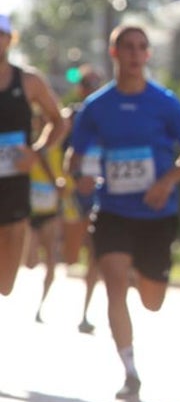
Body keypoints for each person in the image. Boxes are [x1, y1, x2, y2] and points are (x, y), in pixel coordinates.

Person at [69, 24, 180, 402]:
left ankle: (144, 271)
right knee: (114, 285)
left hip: (157, 213)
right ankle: (130, 371)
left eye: (142, 47)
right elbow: (78, 156)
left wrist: (166, 181)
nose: (135, 54)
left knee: (152, 300)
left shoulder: (165, 103)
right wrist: (82, 178)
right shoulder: (97, 107)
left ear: (148, 55)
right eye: (128, 47)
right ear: (115, 54)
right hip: (113, 211)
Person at [0, 13, 65, 298]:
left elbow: (59, 120)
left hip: (15, 186)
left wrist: (37, 152)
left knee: (5, 285)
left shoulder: (28, 81)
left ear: (10, 39)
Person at [60, 65, 105, 334]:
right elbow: (65, 156)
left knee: (96, 253)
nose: (92, 89)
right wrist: (76, 178)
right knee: (70, 256)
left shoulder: (109, 113)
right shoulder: (73, 116)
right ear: (80, 88)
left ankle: (85, 312)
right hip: (76, 192)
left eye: (96, 84)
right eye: (87, 84)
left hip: (101, 192)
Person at [24, 111, 64, 322]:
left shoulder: (58, 146)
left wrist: (62, 184)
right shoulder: (27, 144)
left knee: (51, 260)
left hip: (50, 209)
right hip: (28, 211)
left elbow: (64, 172)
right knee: (30, 261)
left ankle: (41, 306)